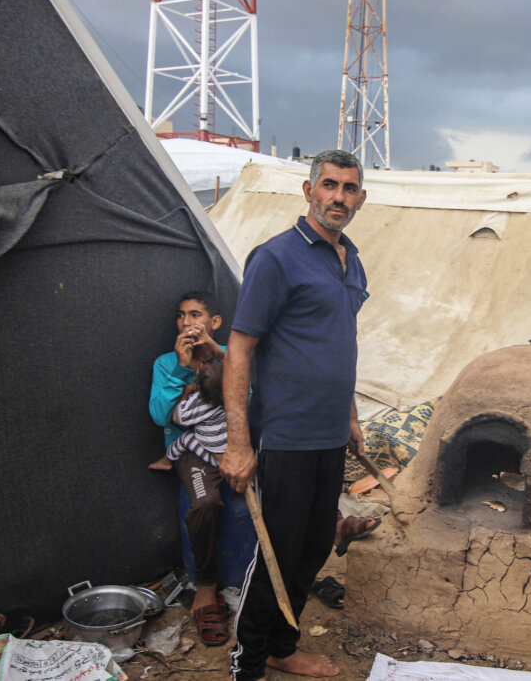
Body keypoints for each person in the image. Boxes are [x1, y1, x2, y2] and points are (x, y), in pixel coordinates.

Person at [222, 149, 369, 681]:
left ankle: (283, 646)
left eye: (349, 188)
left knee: (312, 548)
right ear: (309, 192)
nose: (338, 197)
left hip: (328, 435)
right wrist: (238, 443)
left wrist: (350, 416)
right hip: (283, 435)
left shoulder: (350, 258)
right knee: (277, 555)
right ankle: (249, 664)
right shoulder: (277, 257)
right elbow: (239, 350)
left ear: (361, 198)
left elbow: (340, 343)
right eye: (329, 185)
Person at [148, 291, 237, 643]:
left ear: (214, 322)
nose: (188, 323)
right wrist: (183, 369)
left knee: (283, 478)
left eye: (196, 315)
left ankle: (330, 527)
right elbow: (160, 416)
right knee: (204, 504)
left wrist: (215, 355)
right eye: (182, 316)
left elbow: (245, 401)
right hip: (194, 450)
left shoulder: (232, 356)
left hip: (234, 444)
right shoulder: (165, 364)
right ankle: (207, 586)